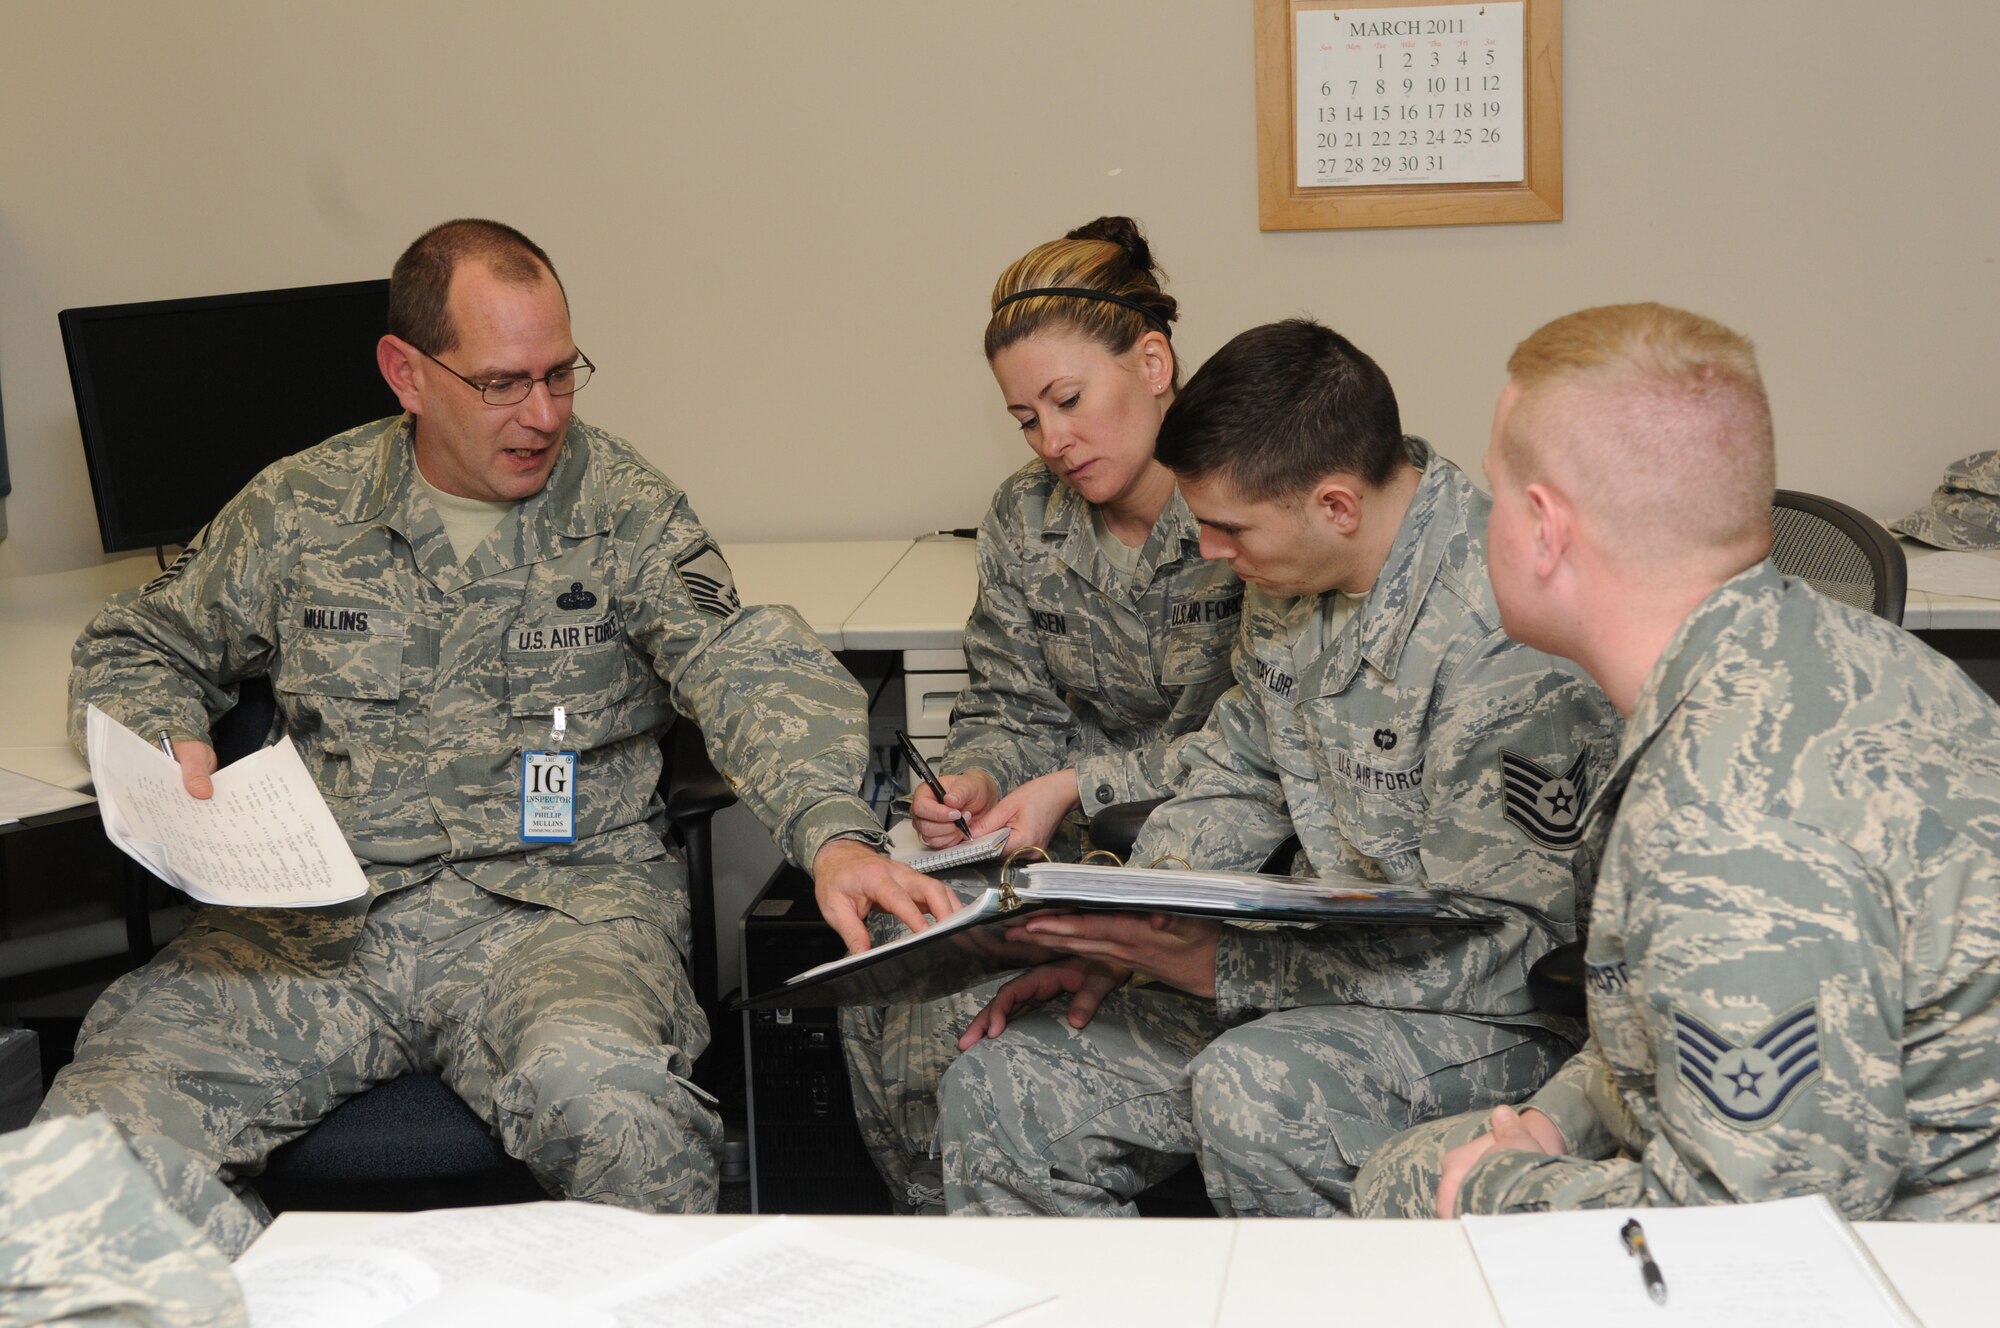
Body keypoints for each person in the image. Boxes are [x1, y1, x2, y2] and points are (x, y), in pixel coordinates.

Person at [40, 218, 952, 1255]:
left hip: (559, 911)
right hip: (326, 919)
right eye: (502, 382)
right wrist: (169, 741)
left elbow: (739, 666)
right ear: (407, 372)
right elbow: (138, 639)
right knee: (92, 1146)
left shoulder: (621, 506)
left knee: (617, 1113)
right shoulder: (302, 506)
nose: (543, 414)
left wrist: (833, 831)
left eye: (562, 374)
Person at [936, 318, 1620, 1217]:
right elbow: (1238, 770)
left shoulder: (1502, 630)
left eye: (1226, 529)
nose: (1209, 554)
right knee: (1005, 1081)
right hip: (1315, 986)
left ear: (1336, 505)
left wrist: (1222, 969)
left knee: (1259, 1091)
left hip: (1495, 1026)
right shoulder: (1291, 578)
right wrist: (1133, 930)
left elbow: (1510, 951)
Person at [1354, 303, 2000, 1221]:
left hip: (1919, 1270)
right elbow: (1672, 1022)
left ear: (1544, 528)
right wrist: (1554, 1124)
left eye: (1496, 495)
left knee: (1413, 1189)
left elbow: (1766, 1241)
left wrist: (1496, 1190)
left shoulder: (1730, 818)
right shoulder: (1830, 657)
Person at [842, 217, 1243, 1211]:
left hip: (1222, 871)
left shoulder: (1250, 496)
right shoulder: (1027, 517)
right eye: (1025, 416)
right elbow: (1004, 702)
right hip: (1065, 864)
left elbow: (1264, 747)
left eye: (1068, 400)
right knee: (895, 991)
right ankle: (957, 1243)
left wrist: (1079, 780)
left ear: (1153, 363)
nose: (1052, 439)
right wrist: (977, 775)